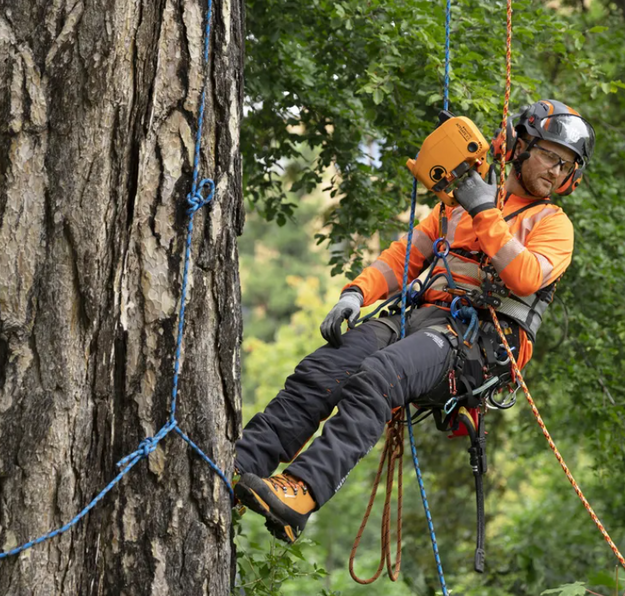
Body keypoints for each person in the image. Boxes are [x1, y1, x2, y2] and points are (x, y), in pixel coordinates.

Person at [233, 100, 596, 543]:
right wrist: (356, 293)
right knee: (323, 370)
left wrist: (484, 209)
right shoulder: (459, 205)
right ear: (520, 146)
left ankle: (303, 492)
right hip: (424, 317)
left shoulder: (552, 224)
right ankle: (241, 463)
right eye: (550, 156)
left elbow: (523, 275)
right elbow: (406, 256)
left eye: (567, 165)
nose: (557, 172)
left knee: (380, 375)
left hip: (480, 345)